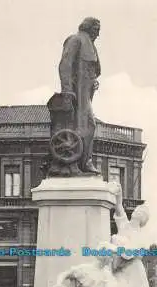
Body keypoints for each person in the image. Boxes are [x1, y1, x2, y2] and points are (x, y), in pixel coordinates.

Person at [58, 17, 101, 174]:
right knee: (89, 125)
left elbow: (93, 69)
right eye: (96, 29)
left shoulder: (91, 46)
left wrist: (94, 80)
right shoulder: (75, 40)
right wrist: (67, 90)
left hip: (87, 93)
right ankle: (84, 162)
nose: (98, 33)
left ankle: (82, 162)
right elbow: (65, 65)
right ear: (89, 28)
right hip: (77, 93)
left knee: (86, 125)